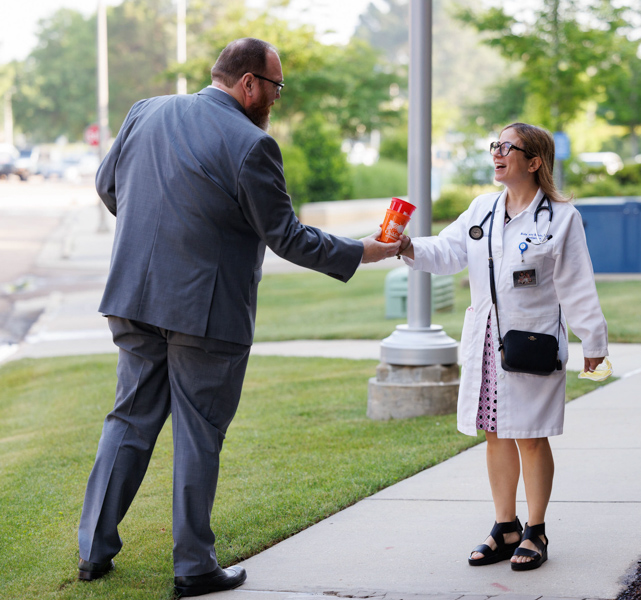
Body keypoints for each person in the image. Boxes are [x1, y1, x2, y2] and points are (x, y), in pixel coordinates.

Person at [77, 38, 400, 597]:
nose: (276, 99)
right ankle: (194, 566)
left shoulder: (143, 112)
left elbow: (110, 187)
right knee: (199, 435)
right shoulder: (253, 145)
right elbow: (288, 238)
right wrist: (364, 250)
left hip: (133, 295)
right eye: (275, 87)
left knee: (127, 421)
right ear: (248, 83)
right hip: (207, 311)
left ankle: (93, 552)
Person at [396, 123, 607, 571]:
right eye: (495, 146)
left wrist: (594, 341)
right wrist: (408, 245)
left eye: (507, 147)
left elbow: (577, 284)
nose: (497, 153)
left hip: (532, 341)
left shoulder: (561, 217)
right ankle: (504, 526)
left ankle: (535, 530)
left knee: (530, 436)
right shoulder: (482, 209)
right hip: (488, 341)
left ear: (534, 161)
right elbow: (448, 252)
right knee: (495, 433)